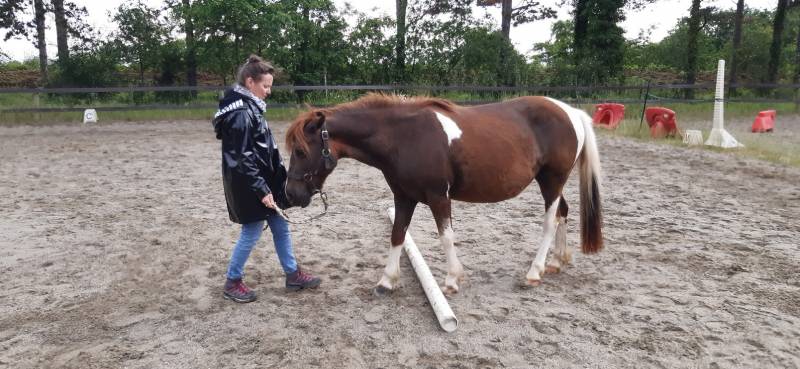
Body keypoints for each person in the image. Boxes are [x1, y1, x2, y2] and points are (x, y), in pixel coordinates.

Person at [212, 55, 321, 303]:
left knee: (281, 227)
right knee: (251, 231)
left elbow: (259, 151)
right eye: (265, 86)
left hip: (262, 183)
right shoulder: (240, 113)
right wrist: (262, 189)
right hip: (250, 186)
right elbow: (243, 158)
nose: (269, 91)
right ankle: (232, 281)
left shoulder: (251, 107)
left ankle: (292, 274)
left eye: (270, 86)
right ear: (250, 82)